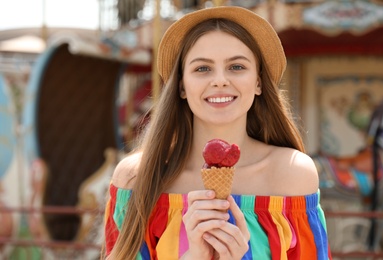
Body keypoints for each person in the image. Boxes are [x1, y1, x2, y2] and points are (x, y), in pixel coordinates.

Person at [103, 6, 332, 260]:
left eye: (236, 67)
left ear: (258, 82)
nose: (220, 80)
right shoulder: (135, 178)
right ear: (181, 85)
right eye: (202, 69)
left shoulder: (292, 175)